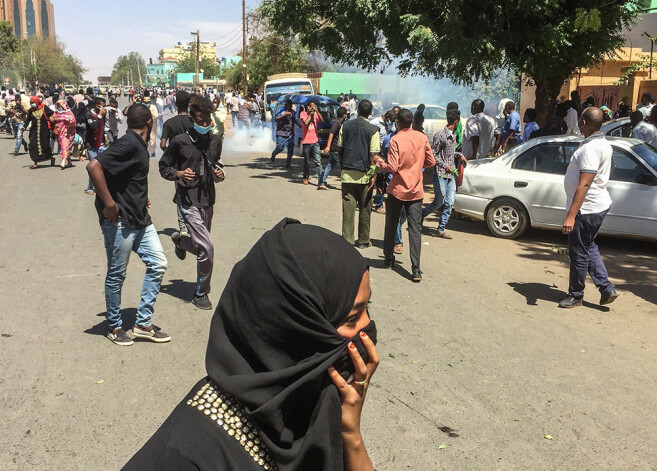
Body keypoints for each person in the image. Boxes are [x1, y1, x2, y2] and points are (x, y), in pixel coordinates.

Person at [123, 219, 379, 471]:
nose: (367, 330)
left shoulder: (309, 410)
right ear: (294, 331)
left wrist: (351, 434)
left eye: (367, 309)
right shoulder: (187, 456)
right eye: (352, 318)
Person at [86, 103, 170, 346]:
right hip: (120, 222)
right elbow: (94, 166)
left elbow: (130, 175)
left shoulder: (138, 145)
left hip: (140, 218)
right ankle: (114, 326)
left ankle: (143, 324)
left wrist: (143, 197)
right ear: (149, 123)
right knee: (117, 275)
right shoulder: (129, 143)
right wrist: (109, 204)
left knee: (158, 263)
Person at [159, 96, 226, 311]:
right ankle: (201, 293)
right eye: (200, 120)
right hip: (187, 200)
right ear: (191, 118)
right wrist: (178, 173)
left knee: (200, 247)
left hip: (208, 199)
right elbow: (164, 167)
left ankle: (180, 242)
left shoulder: (215, 141)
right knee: (207, 247)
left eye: (208, 120)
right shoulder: (179, 141)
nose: (205, 125)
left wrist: (219, 173)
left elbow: (216, 166)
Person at [559, 107, 618, 309]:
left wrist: (571, 216)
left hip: (587, 208)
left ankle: (576, 294)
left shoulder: (590, 149)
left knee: (578, 252)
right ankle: (606, 288)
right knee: (588, 246)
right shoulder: (601, 143)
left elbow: (584, 184)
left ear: (583, 123)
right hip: (597, 205)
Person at [373, 109, 435, 282]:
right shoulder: (422, 137)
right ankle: (416, 269)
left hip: (397, 190)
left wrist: (378, 160)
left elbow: (392, 167)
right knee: (415, 230)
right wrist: (417, 165)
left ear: (397, 123)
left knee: (391, 225)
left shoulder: (395, 140)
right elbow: (431, 162)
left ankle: (388, 259)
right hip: (416, 191)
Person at [339, 99, 380, 247]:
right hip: (365, 176)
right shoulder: (373, 130)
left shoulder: (346, 125)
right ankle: (363, 241)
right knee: (365, 209)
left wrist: (342, 166)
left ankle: (347, 242)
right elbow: (373, 155)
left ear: (357, 110)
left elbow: (340, 148)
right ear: (370, 112)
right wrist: (374, 175)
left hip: (347, 174)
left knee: (348, 212)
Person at [422, 109, 467, 240]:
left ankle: (440, 229)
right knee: (439, 200)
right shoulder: (440, 135)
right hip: (440, 173)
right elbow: (433, 155)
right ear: (456, 121)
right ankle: (422, 214)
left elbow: (451, 154)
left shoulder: (454, 136)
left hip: (451, 174)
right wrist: (443, 165)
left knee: (449, 202)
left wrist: (460, 155)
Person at [84, 97, 107, 195]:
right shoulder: (89, 114)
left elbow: (102, 126)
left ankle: (102, 187)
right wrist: (99, 116)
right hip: (92, 144)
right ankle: (90, 187)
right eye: (101, 106)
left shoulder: (103, 114)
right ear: (96, 105)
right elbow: (93, 126)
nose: (103, 108)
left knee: (104, 166)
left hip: (101, 144)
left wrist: (105, 135)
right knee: (93, 167)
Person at [24, 96, 55, 169]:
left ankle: (51, 158)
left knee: (45, 146)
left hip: (44, 131)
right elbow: (28, 120)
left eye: (33, 103)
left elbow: (52, 115)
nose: (32, 104)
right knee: (33, 145)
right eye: (31, 103)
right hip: (34, 131)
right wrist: (23, 127)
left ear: (37, 102)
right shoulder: (31, 110)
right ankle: (35, 162)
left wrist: (52, 120)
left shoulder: (44, 108)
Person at [321, 107, 348, 188]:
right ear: (344, 115)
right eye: (346, 114)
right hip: (335, 148)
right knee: (343, 166)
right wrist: (328, 147)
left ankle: (321, 182)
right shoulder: (336, 123)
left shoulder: (341, 122)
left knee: (330, 165)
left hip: (337, 148)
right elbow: (331, 134)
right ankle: (346, 184)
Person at [300, 101, 324, 187]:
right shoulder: (303, 113)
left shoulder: (316, 114)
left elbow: (322, 120)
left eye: (314, 106)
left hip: (315, 141)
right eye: (311, 106)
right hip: (306, 141)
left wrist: (316, 111)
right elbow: (305, 123)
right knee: (306, 160)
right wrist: (310, 114)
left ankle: (320, 180)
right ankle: (305, 177)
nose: (313, 108)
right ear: (308, 107)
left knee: (318, 160)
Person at [269, 98, 296, 168]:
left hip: (290, 133)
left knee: (290, 149)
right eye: (288, 105)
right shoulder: (281, 110)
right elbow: (276, 119)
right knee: (280, 148)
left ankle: (288, 164)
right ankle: (274, 154)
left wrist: (299, 125)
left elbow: (293, 120)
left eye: (290, 105)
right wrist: (284, 114)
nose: (289, 107)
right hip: (281, 132)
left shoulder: (292, 112)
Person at [52, 99, 77, 169]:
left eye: (60, 105)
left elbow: (73, 121)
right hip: (59, 133)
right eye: (57, 105)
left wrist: (63, 119)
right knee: (64, 146)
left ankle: (63, 160)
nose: (58, 107)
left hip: (67, 133)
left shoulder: (69, 113)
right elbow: (53, 119)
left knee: (64, 146)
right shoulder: (56, 113)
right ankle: (69, 161)